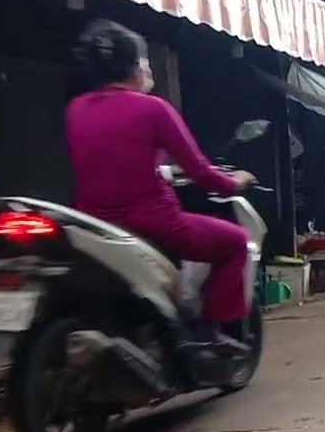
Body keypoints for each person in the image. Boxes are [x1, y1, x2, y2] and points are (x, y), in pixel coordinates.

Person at [65, 19, 254, 350]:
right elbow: (199, 170)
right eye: (144, 61)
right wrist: (234, 182)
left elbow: (106, 159)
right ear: (135, 65)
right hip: (154, 222)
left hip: (94, 225)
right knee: (236, 241)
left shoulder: (75, 109)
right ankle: (210, 331)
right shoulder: (153, 108)